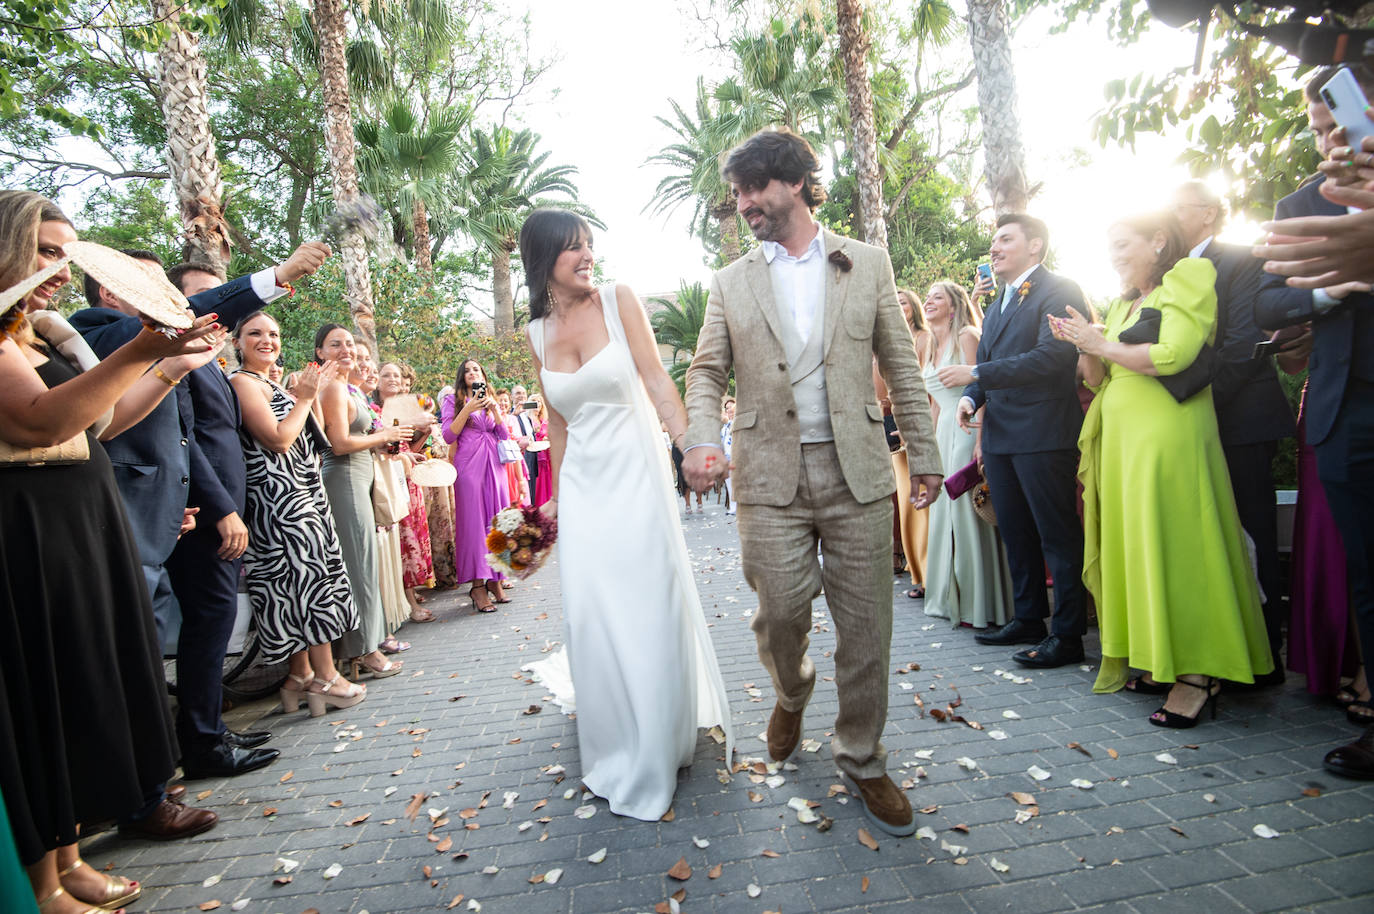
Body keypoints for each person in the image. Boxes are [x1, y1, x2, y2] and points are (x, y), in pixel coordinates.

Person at [681, 129, 941, 837]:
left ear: (794, 182)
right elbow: (706, 371)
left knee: (867, 631)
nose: (743, 206)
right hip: (767, 478)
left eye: (752, 190)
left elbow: (902, 366)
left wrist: (925, 456)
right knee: (781, 615)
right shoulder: (730, 282)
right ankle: (791, 692)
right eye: (737, 195)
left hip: (858, 471)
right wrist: (701, 438)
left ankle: (862, 758)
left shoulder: (869, 262)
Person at [0, 190, 220, 912]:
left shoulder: (44, 335)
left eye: (66, 253)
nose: (60, 270)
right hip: (27, 528)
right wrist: (139, 346)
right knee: (45, 698)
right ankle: (43, 882)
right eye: (46, 252)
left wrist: (169, 365)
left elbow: (101, 419)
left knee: (78, 689)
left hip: (78, 522)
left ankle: (69, 861)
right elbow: (39, 423)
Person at [520, 206, 733, 821]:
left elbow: (659, 382)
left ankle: (659, 740)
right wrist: (556, 498)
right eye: (573, 249)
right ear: (544, 263)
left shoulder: (618, 300)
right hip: (585, 491)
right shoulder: (534, 334)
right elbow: (557, 421)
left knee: (645, 602)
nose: (587, 256)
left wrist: (690, 442)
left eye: (590, 244)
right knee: (596, 613)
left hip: (637, 479)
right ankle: (617, 740)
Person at [1054, 211, 1273, 727]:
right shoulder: (1126, 302)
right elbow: (1100, 372)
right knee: (1141, 547)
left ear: (1158, 241)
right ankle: (1161, 657)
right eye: (1108, 247)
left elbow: (1175, 354)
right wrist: (1081, 343)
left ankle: (1198, 674)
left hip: (1169, 436)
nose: (1113, 255)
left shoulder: (1188, 277)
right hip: (1126, 441)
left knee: (1180, 546)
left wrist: (1101, 342)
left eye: (1121, 243)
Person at [164, 252, 331, 778]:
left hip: (232, 508)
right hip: (207, 513)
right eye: (205, 298)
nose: (215, 309)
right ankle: (204, 743)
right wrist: (222, 510)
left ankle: (212, 731)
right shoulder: (182, 363)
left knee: (210, 628)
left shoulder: (210, 364)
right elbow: (188, 441)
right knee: (208, 625)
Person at [1253, 64, 1374, 778]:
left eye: (1341, 125)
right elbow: (1268, 305)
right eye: (1318, 129)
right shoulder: (1301, 202)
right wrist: (1329, 292)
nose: (1329, 140)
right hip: (1342, 410)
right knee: (1367, 574)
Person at [952, 214, 1090, 669]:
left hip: (1043, 432)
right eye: (993, 240)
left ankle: (1068, 635)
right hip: (1001, 436)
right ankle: (1028, 616)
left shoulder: (1059, 290)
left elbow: (1053, 357)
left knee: (1056, 534)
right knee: (1015, 531)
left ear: (1036, 247)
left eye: (1005, 239)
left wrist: (976, 375)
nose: (994, 247)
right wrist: (972, 399)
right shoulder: (996, 304)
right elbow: (990, 364)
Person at [1172, 180, 1296, 684]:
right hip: (1194, 423)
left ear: (1208, 213)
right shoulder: (1169, 273)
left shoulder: (1240, 260)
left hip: (1239, 418)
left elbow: (1244, 344)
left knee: (1253, 532)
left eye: (1179, 207)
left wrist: (1195, 404)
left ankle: (1265, 655)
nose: (1171, 216)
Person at [229, 312, 365, 716]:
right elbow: (277, 440)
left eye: (273, 333)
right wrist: (305, 396)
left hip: (305, 491)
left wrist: (311, 393)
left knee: (307, 579)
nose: (267, 339)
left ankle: (300, 677)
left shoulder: (274, 383)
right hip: (279, 500)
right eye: (255, 333)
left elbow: (316, 435)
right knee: (305, 583)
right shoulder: (242, 382)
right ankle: (323, 677)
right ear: (238, 342)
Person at [315, 323, 408, 678]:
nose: (346, 349)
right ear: (320, 352)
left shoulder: (349, 389)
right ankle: (365, 650)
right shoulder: (334, 389)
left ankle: (365, 644)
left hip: (361, 476)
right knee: (358, 568)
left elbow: (360, 436)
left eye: (350, 343)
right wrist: (380, 436)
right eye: (335, 344)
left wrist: (383, 440)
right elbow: (337, 443)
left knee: (366, 564)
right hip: (345, 480)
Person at [920, 281, 1013, 629]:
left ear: (954, 305)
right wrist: (926, 447)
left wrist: (980, 439)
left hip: (967, 431)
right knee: (944, 514)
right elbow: (933, 403)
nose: (928, 301)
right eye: (927, 297)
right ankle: (947, 597)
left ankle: (981, 602)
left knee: (968, 512)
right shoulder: (930, 343)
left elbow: (984, 386)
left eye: (937, 297)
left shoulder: (967, 336)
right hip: (943, 433)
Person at [440, 358, 512, 613]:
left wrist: (494, 411)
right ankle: (477, 586)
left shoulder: (490, 397)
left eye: (476, 369)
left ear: (482, 375)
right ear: (462, 376)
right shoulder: (453, 400)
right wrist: (467, 409)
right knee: (473, 524)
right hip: (469, 465)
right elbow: (448, 435)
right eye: (467, 370)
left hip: (495, 465)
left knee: (497, 522)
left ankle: (496, 579)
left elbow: (504, 435)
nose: (472, 373)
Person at [377, 361, 437, 621]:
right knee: (401, 540)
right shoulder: (374, 410)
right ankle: (409, 602)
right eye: (386, 374)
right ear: (377, 380)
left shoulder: (404, 408)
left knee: (411, 537)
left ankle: (407, 593)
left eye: (397, 375)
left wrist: (424, 433)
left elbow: (407, 448)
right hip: (385, 479)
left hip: (407, 478)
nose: (393, 379)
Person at [892, 288, 931, 597]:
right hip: (890, 424)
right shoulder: (889, 340)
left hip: (916, 427)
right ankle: (915, 572)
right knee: (905, 505)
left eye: (903, 301)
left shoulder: (924, 339)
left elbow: (918, 388)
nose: (898, 306)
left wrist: (911, 430)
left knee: (921, 504)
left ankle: (929, 573)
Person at [496, 388, 532, 507]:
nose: (503, 403)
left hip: (516, 459)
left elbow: (518, 438)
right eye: (500, 400)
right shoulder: (493, 419)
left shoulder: (513, 419)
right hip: (501, 460)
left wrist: (523, 440)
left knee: (521, 495)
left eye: (505, 400)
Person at [720, 395, 736, 514]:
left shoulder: (735, 423)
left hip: (735, 457)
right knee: (729, 484)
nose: (728, 410)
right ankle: (733, 507)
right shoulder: (724, 427)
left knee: (737, 484)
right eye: (726, 408)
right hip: (726, 458)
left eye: (731, 407)